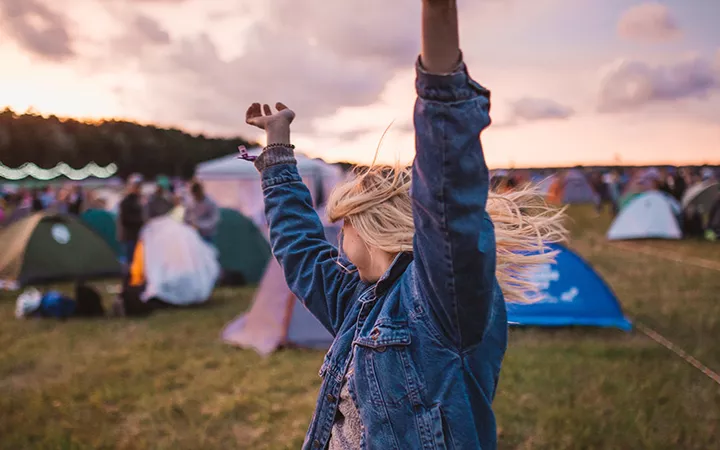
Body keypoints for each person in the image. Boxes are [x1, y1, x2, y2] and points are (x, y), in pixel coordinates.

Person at [241, 1, 566, 448]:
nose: (336, 236)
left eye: (343, 225)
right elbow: (299, 250)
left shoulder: (437, 300)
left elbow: (448, 199)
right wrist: (278, 150)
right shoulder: (360, 301)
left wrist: (439, 56)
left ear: (368, 224)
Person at [118, 174, 145, 264]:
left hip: (139, 235)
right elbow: (125, 219)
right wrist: (140, 221)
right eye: (136, 186)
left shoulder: (140, 200)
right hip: (130, 235)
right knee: (130, 258)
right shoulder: (126, 202)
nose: (138, 189)